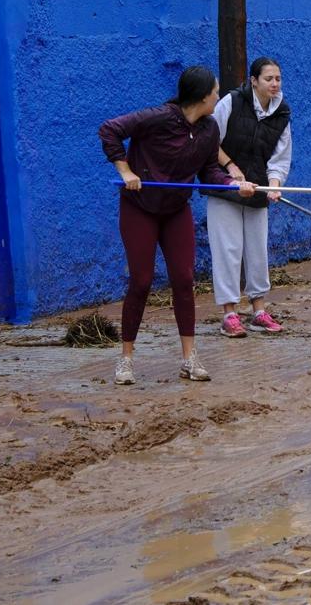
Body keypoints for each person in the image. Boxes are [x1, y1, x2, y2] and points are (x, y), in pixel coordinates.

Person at [99, 66, 257, 386]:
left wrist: (231, 183)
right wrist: (125, 170)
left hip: (175, 210)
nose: (218, 96)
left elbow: (209, 172)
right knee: (141, 281)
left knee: (184, 279)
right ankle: (126, 359)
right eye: (215, 91)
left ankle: (189, 358)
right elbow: (109, 130)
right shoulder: (158, 117)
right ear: (202, 96)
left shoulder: (209, 129)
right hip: (139, 207)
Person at [206, 57, 293, 338]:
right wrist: (231, 169)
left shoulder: (281, 113)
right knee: (228, 251)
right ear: (254, 81)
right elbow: (209, 140)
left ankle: (258, 311)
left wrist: (274, 185)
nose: (275, 84)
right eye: (269, 78)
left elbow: (280, 158)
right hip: (225, 190)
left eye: (278, 78)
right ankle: (229, 314)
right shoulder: (231, 102)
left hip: (257, 192)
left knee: (257, 251)